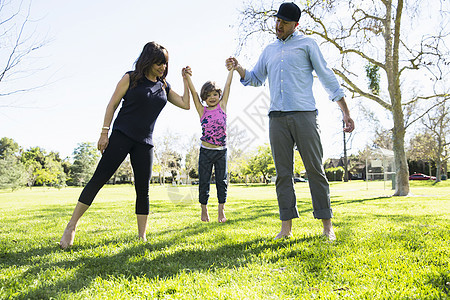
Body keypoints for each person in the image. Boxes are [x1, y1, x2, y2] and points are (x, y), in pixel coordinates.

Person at [226, 2, 355, 240]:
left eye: (284, 22)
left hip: (305, 114)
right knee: (283, 175)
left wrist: (344, 110)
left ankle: (327, 227)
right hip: (277, 118)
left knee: (315, 171)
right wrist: (238, 68)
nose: (278, 25)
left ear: (295, 25)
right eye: (277, 21)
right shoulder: (269, 50)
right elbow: (255, 78)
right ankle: (286, 229)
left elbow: (326, 76)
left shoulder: (307, 45)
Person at [59, 42, 191, 249]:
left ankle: (142, 236)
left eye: (165, 64)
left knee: (143, 189)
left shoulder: (163, 86)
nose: (162, 68)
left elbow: (185, 104)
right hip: (122, 135)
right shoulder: (131, 78)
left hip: (145, 143)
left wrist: (185, 80)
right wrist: (104, 133)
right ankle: (71, 226)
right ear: (148, 60)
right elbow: (111, 105)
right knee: (98, 179)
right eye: (158, 63)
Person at [183, 65, 234, 223]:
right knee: (204, 181)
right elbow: (193, 93)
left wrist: (232, 69)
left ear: (219, 95)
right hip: (205, 151)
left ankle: (221, 212)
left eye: (215, 94)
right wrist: (188, 77)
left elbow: (227, 86)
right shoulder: (202, 110)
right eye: (209, 95)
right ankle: (204, 211)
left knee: (222, 181)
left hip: (221, 152)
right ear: (204, 98)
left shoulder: (222, 106)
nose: (212, 97)